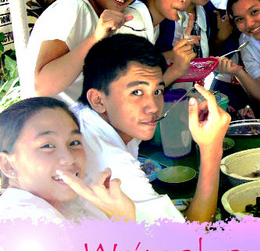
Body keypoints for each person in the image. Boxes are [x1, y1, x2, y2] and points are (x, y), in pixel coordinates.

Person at [72, 33, 231, 223]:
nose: (154, 106)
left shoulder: (84, 118)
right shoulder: (111, 164)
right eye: (136, 92)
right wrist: (211, 150)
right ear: (98, 100)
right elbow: (188, 243)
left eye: (157, 91)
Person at [23, 0, 140, 105]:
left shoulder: (94, 12)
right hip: (53, 125)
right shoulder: (73, 8)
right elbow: (42, 86)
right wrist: (95, 39)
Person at [0, 97, 135, 222]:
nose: (69, 159)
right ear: (8, 165)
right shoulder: (28, 222)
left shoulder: (70, 204)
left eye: (74, 143)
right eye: (47, 146)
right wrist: (123, 220)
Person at [117, 0, 198, 86]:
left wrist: (175, 54)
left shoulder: (162, 21)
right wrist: (177, 69)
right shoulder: (133, 22)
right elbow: (135, 89)